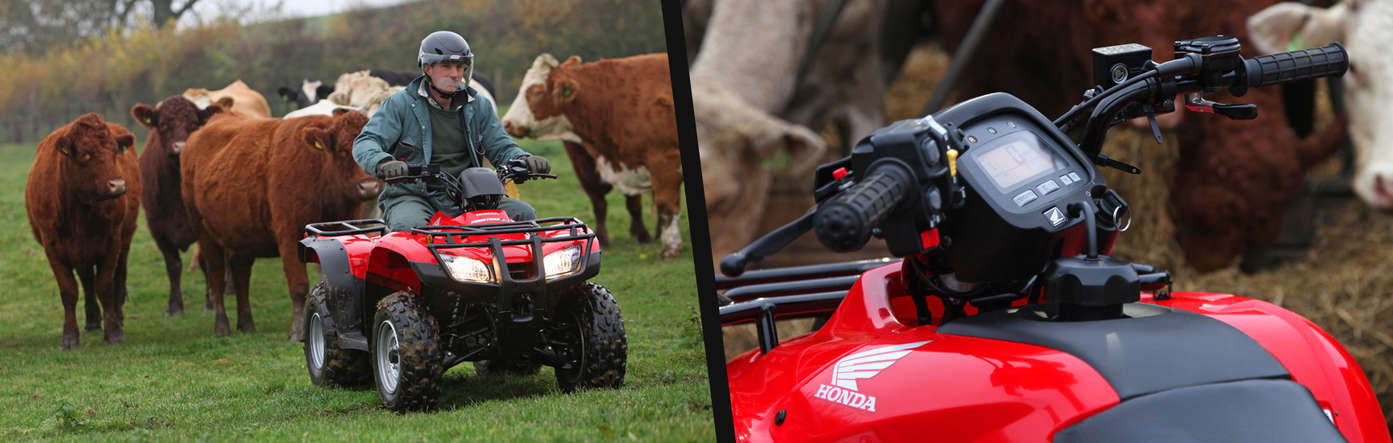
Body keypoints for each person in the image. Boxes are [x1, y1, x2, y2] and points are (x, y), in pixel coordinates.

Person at [353, 30, 551, 231]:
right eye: (446, 66)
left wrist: (523, 159)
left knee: (523, 215)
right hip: (413, 195)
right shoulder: (400, 104)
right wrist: (384, 163)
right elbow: (366, 141)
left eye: (460, 66)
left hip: (472, 195)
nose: (455, 74)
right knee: (410, 227)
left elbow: (501, 145)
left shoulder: (479, 105)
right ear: (428, 68)